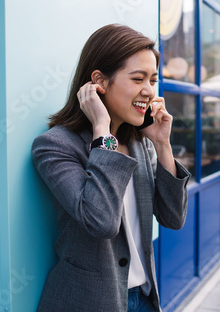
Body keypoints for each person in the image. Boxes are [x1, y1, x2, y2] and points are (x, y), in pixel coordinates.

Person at [31, 24, 190, 312]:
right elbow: (100, 221)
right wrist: (102, 129)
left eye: (153, 80)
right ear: (99, 82)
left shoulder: (141, 143)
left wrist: (163, 145)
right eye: (138, 78)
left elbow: (173, 217)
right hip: (89, 303)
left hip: (143, 299)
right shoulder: (55, 146)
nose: (148, 91)